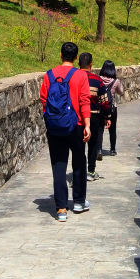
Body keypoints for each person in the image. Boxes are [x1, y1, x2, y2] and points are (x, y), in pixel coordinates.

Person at [40, 42, 91, 221]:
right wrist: (87, 125)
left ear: (60, 55)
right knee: (78, 161)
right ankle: (78, 202)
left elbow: (44, 100)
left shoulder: (49, 75)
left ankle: (61, 208)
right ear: (76, 58)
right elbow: (85, 100)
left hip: (55, 126)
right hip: (76, 124)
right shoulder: (80, 75)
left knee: (58, 165)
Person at [79, 52, 111, 181]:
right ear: (91, 65)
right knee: (93, 145)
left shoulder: (73, 78)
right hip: (94, 117)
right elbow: (104, 101)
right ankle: (91, 171)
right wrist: (107, 116)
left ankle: (79, 172)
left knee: (79, 146)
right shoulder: (97, 80)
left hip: (78, 116)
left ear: (79, 64)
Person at [98, 60, 123, 157]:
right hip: (111, 107)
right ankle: (112, 149)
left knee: (99, 129)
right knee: (112, 129)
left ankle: (99, 149)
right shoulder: (115, 81)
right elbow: (121, 92)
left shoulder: (99, 79)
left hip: (100, 107)